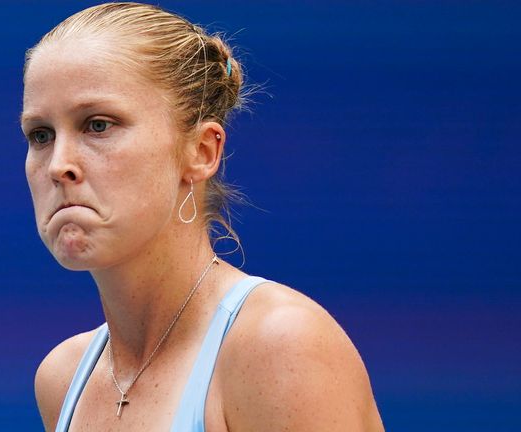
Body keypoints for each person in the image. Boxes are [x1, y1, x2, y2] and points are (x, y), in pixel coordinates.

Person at [21, 2, 385, 431]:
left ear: (202, 151)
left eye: (98, 125)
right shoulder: (63, 379)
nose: (57, 165)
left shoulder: (280, 345)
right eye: (40, 135)